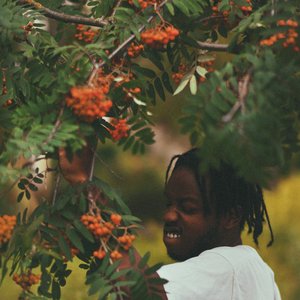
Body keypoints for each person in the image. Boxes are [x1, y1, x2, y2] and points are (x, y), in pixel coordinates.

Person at [154, 148, 281, 300]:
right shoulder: (262, 274)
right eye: (169, 204)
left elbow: (138, 290)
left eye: (187, 208)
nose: (168, 216)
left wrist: (118, 237)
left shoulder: (225, 264)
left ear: (231, 216)